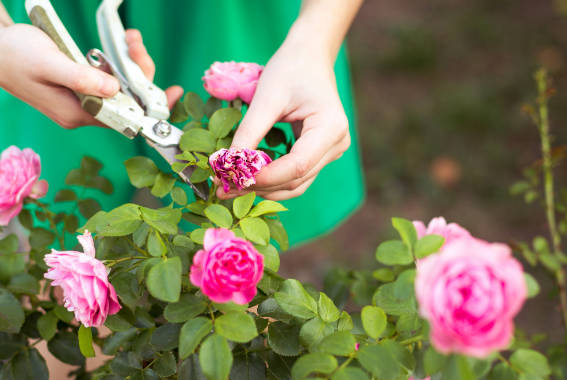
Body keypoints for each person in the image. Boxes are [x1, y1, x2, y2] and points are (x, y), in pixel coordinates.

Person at [0, 0, 364, 246]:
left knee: (247, 248)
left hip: (227, 14)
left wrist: (314, 42)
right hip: (63, 17)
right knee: (53, 261)